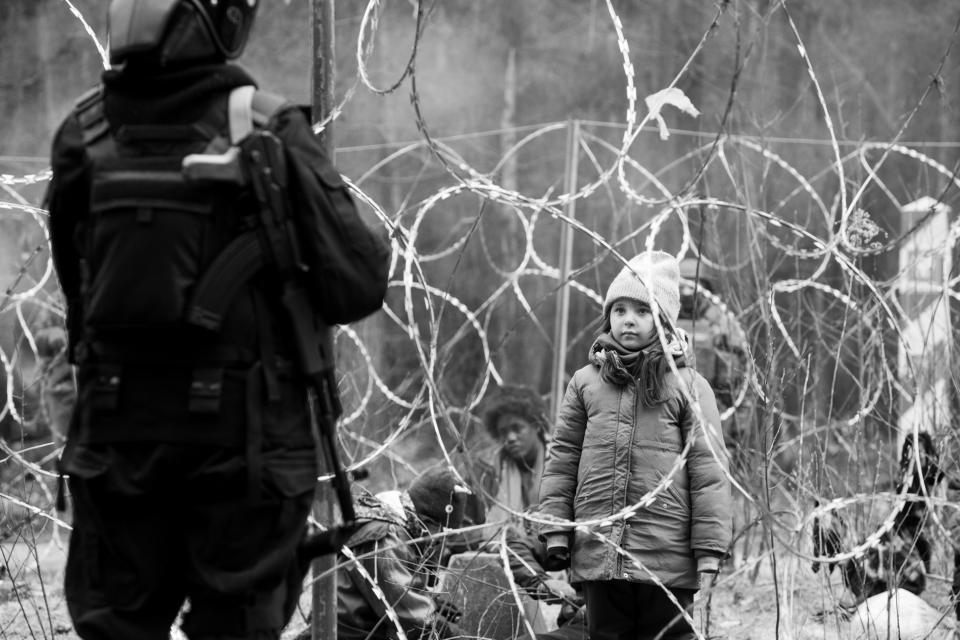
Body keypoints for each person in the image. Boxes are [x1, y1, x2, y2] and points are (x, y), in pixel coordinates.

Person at [44, 1, 389, 637]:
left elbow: (79, 292)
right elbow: (358, 283)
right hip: (246, 448)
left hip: (117, 437)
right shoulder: (265, 126)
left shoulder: (83, 135)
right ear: (223, 24)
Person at [538, 251, 733, 640]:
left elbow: (708, 470)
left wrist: (709, 546)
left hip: (666, 554)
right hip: (599, 549)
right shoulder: (584, 382)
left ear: (662, 320)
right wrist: (557, 530)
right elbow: (562, 459)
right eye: (620, 309)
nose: (628, 319)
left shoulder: (688, 385)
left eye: (642, 311)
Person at [297, 467, 472, 640]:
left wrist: (431, 602)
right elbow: (414, 622)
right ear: (427, 522)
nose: (441, 543)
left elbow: (392, 591)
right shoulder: (387, 541)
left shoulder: (393, 521)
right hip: (347, 635)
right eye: (441, 534)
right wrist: (457, 637)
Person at [472, 385, 551, 528]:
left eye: (517, 428)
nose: (510, 437)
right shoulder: (490, 471)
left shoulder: (563, 461)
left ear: (537, 425)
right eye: (503, 432)